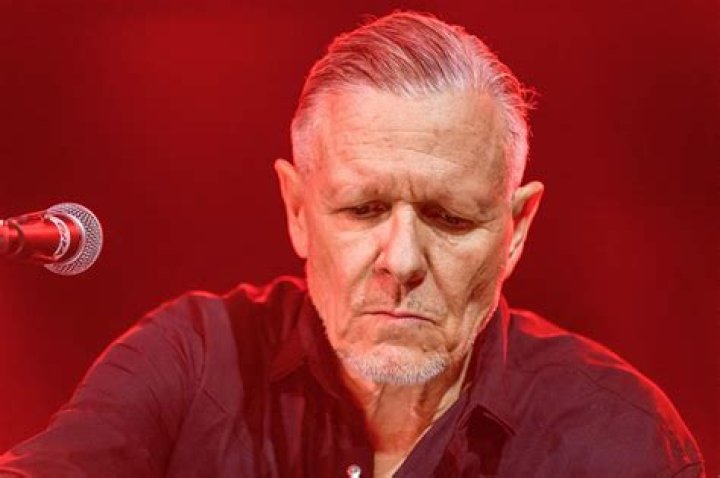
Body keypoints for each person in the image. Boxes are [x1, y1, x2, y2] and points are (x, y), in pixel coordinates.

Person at [0, 11, 705, 477]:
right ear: (297, 210)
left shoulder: (617, 438)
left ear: (516, 229)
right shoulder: (192, 361)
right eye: (364, 209)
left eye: (450, 218)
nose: (402, 260)